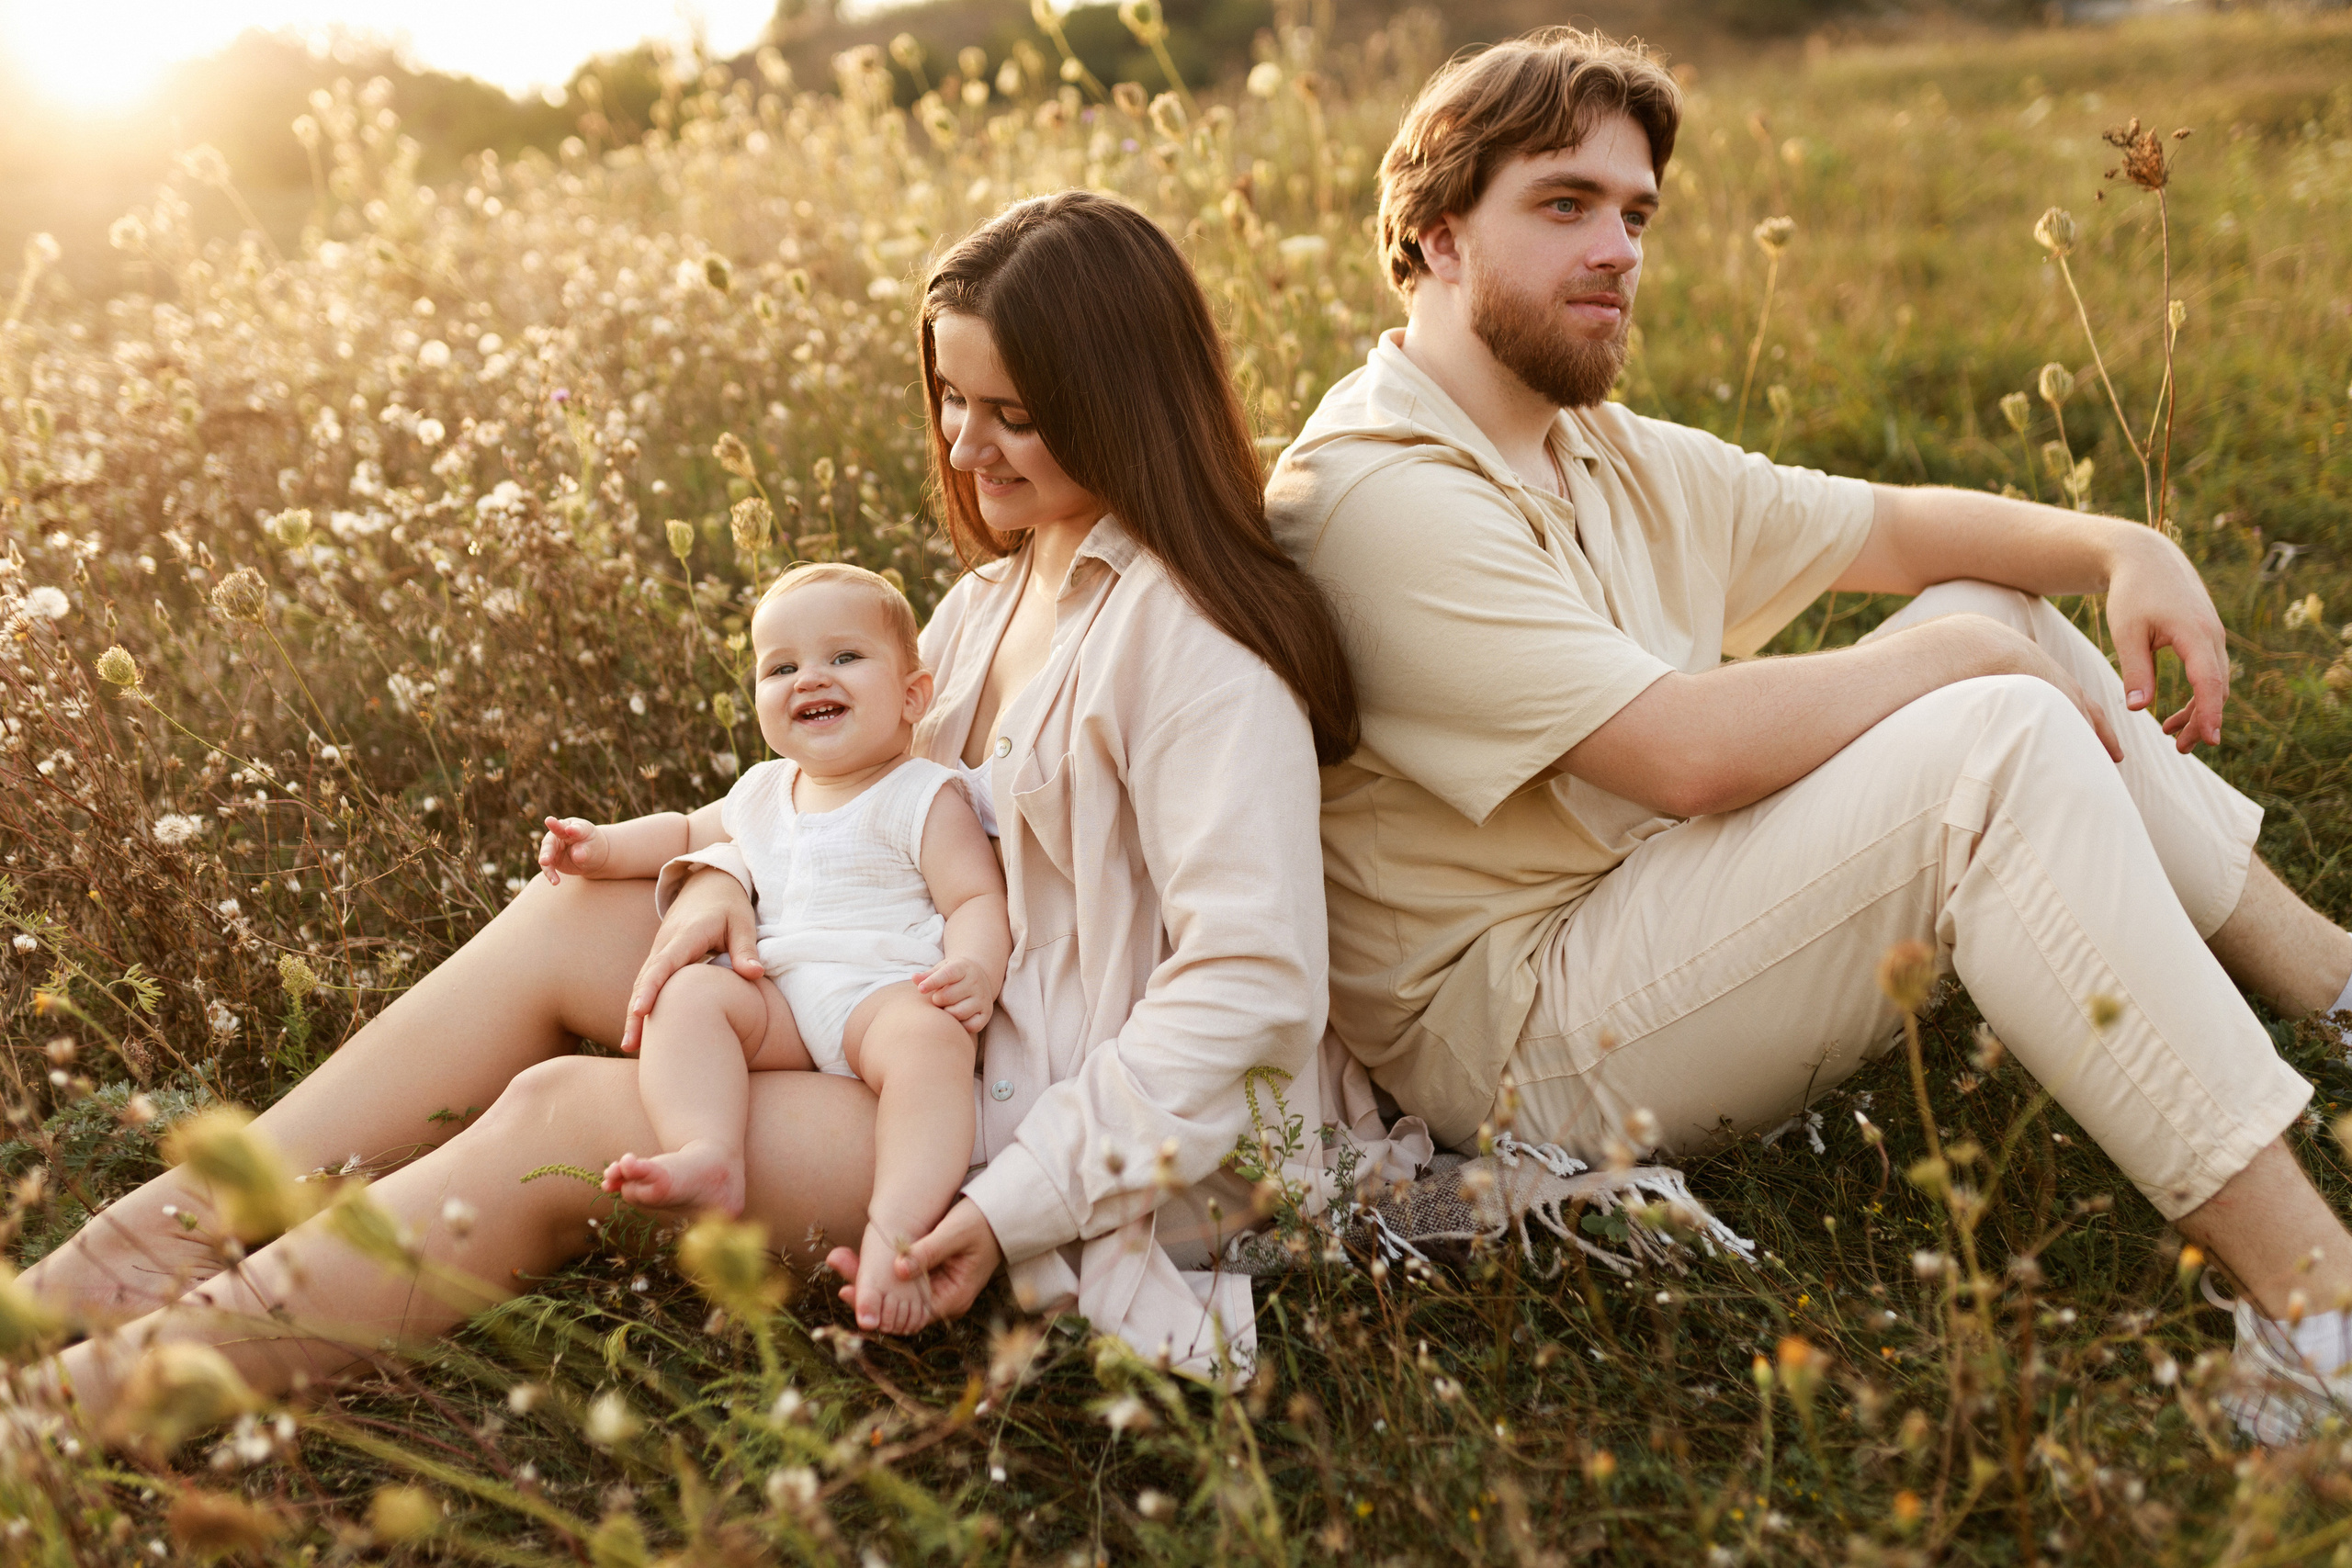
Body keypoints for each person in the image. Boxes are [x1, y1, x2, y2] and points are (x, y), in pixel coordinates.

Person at [24, 188, 1375, 1427]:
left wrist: (1011, 1204)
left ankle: (93, 1403)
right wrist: (727, 876)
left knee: (568, 1112)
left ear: (1121, 400)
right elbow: (865, 806)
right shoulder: (994, 598)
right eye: (954, 402)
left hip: (1046, 1115)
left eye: (1013, 411)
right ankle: (120, 1259)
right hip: (901, 995)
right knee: (578, 907)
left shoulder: (1200, 652)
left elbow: (1252, 989)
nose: (967, 447)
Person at [1265, 27, 2352, 1442]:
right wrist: (1959, 667)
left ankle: (2334, 990)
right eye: (1563, 204)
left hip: (1642, 906)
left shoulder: (1589, 443)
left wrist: (2117, 541)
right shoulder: (1375, 495)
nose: (1618, 248)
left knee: (1994, 613)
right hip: (1515, 1027)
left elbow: (1893, 525)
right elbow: (1679, 753)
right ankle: (2314, 1319)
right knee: (1987, 739)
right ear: (1434, 238)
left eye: (1636, 213)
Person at [537, 561, 1011, 1334]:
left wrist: (978, 965)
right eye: (781, 667)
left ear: (912, 696)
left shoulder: (923, 792)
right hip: (784, 994)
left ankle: (898, 1223)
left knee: (931, 1047)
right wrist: (602, 847)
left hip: (882, 992)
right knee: (687, 994)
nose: (809, 678)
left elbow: (976, 898)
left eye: (844, 657)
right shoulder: (764, 789)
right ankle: (709, 1149)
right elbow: (686, 831)